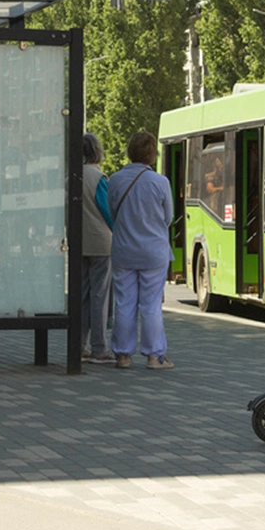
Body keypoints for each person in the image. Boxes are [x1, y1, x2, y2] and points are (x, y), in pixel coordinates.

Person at [108, 131, 175, 370]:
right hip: (153, 251)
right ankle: (154, 356)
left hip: (124, 249)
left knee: (124, 302)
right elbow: (168, 217)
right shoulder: (160, 182)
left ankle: (123, 355)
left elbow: (112, 213)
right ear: (151, 155)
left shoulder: (115, 180)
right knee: (150, 304)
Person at [81, 133, 114, 364]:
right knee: (99, 296)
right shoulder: (98, 177)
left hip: (79, 243)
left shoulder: (70, 176)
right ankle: (99, 347)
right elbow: (109, 212)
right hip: (101, 243)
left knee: (81, 296)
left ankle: (79, 344)